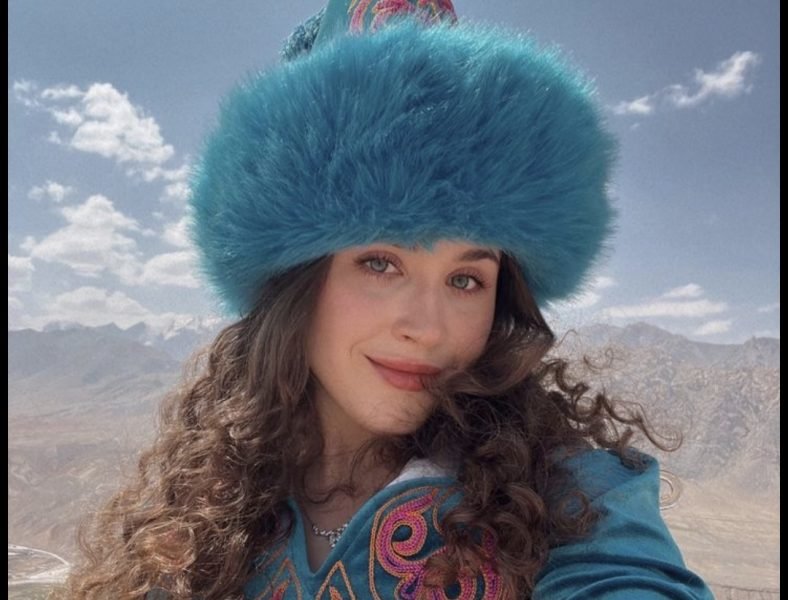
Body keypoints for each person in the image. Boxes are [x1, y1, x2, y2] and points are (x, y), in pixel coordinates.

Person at [55, 1, 714, 598]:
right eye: (380, 262)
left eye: (466, 280)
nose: (428, 328)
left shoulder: (574, 497)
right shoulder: (205, 504)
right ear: (297, 281)